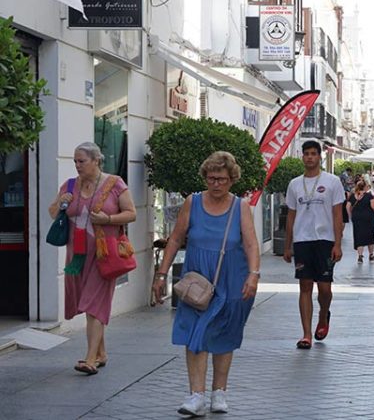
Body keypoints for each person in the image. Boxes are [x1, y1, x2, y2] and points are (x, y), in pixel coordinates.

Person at [150, 151, 260, 416]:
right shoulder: (193, 202)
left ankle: (219, 392)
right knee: (195, 334)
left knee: (224, 334)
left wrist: (254, 274)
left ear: (232, 179)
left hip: (232, 276)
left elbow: (250, 242)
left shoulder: (240, 207)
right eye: (211, 178)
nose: (216, 184)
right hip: (197, 279)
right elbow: (175, 238)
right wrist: (162, 274)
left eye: (222, 179)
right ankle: (196, 396)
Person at [48, 142, 136, 376]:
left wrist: (107, 219)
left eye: (82, 161)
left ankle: (90, 359)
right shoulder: (69, 185)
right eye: (75, 161)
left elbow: (131, 213)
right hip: (76, 255)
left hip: (104, 254)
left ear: (96, 160)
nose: (77, 165)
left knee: (93, 305)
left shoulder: (115, 183)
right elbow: (52, 213)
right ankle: (101, 353)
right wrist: (61, 203)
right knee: (87, 305)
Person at [284, 140, 345, 350]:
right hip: (302, 241)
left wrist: (338, 243)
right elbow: (291, 216)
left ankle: (323, 314)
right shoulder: (294, 184)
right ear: (302, 157)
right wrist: (287, 245)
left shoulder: (333, 182)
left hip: (325, 241)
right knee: (305, 286)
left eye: (313, 154)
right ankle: (306, 334)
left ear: (320, 157)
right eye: (306, 154)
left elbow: (338, 215)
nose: (309, 157)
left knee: (325, 288)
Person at [347, 180, 374, 263]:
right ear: (365, 187)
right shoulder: (369, 196)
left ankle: (360, 256)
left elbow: (347, 206)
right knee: (369, 236)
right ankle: (371, 255)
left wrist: (351, 215)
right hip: (368, 218)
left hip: (357, 218)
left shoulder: (353, 196)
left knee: (358, 236)